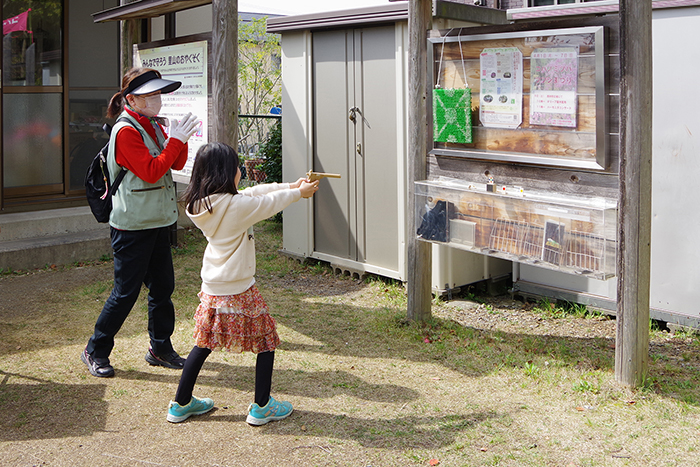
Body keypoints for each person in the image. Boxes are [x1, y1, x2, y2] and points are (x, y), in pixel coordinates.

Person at [165, 142, 319, 424]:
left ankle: (181, 403)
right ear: (225, 173)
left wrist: (290, 185)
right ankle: (262, 406)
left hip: (214, 284)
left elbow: (254, 194)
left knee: (203, 343)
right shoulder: (235, 207)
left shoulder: (202, 203)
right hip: (238, 285)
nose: (239, 170)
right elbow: (264, 203)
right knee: (266, 340)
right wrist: (297, 193)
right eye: (236, 166)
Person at [81, 67, 201, 378]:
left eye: (159, 93)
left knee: (163, 287)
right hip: (132, 225)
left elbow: (172, 163)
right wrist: (175, 139)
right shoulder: (126, 131)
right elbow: (150, 170)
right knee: (125, 293)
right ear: (132, 100)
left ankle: (160, 348)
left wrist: (181, 139)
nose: (159, 99)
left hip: (158, 220)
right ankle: (95, 349)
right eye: (152, 95)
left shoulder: (151, 124)